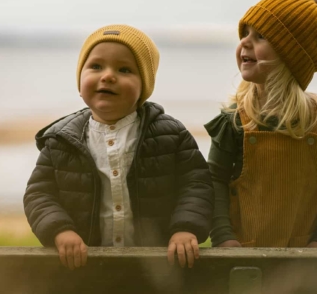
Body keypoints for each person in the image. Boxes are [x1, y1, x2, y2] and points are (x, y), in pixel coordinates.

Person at [24, 24, 213, 270]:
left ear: (143, 87)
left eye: (124, 69)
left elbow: (196, 186)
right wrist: (60, 231)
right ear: (80, 79)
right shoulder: (61, 140)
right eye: (96, 66)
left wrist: (185, 229)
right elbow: (39, 194)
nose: (108, 76)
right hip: (84, 266)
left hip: (159, 267)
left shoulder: (171, 134)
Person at [205, 0, 317, 248]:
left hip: (302, 258)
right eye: (245, 33)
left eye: (260, 36)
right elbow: (214, 181)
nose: (244, 42)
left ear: (292, 55)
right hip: (243, 252)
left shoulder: (314, 121)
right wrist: (223, 235)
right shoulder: (235, 121)